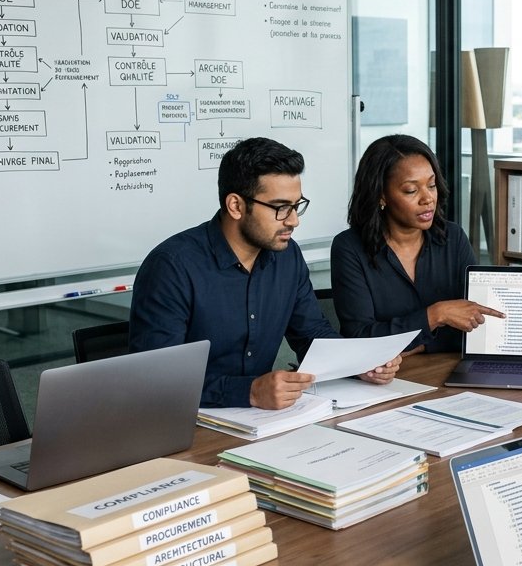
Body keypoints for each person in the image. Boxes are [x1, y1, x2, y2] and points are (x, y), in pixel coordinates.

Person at [130, 137, 401, 410]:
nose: (294, 220)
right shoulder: (172, 267)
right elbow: (156, 381)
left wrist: (361, 364)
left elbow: (311, 334)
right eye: (280, 208)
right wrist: (248, 391)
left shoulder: (287, 256)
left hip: (262, 422)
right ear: (236, 206)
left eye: (296, 206)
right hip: (188, 423)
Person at [330, 134, 502, 353]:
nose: (427, 198)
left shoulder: (453, 238)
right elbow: (360, 340)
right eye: (411, 190)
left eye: (431, 185)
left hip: (443, 370)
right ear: (381, 195)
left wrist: (409, 343)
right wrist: (436, 315)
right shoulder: (350, 248)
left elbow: (478, 323)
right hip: (381, 379)